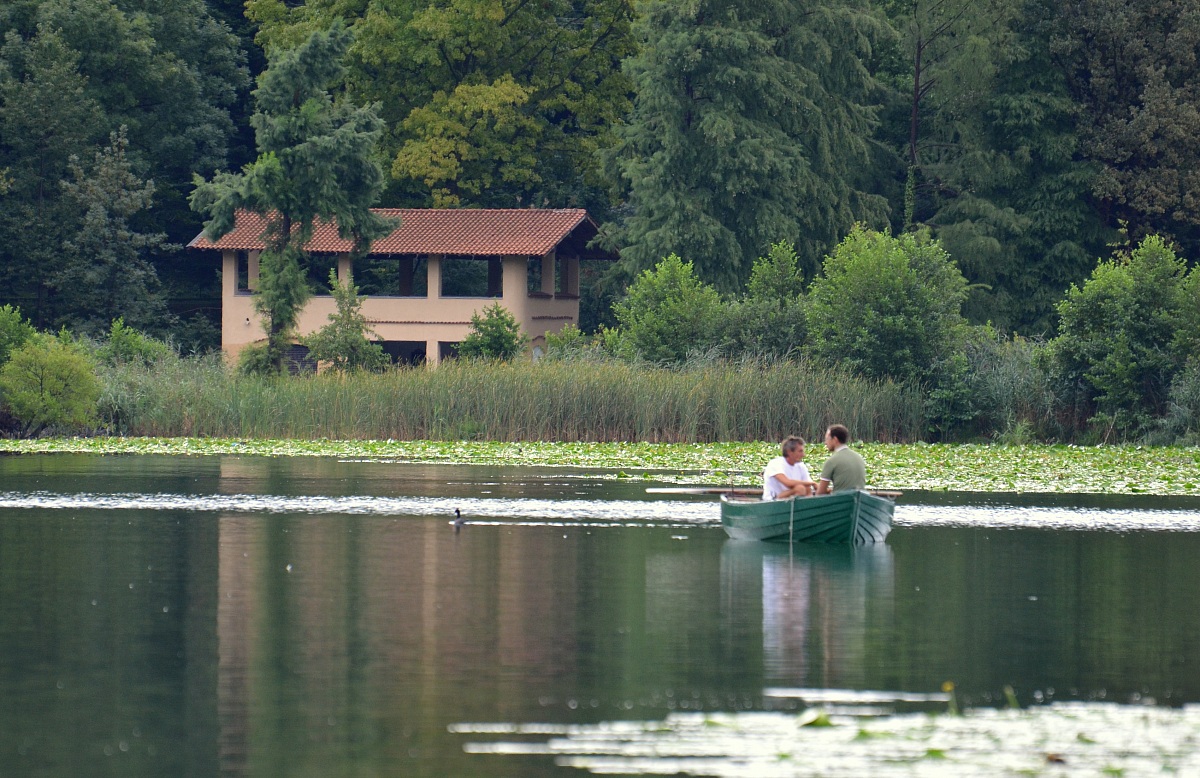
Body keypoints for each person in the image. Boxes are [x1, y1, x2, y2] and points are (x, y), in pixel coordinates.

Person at [815, 424, 867, 495]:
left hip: (841, 501)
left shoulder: (831, 461)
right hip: (861, 498)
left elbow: (820, 492)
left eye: (827, 439)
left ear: (835, 439)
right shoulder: (859, 458)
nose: (825, 442)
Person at [762, 436, 816, 500]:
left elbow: (808, 487)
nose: (803, 455)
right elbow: (788, 483)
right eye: (800, 451)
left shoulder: (801, 466)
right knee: (800, 488)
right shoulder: (775, 463)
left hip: (790, 498)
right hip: (773, 500)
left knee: (806, 488)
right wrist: (813, 483)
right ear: (789, 452)